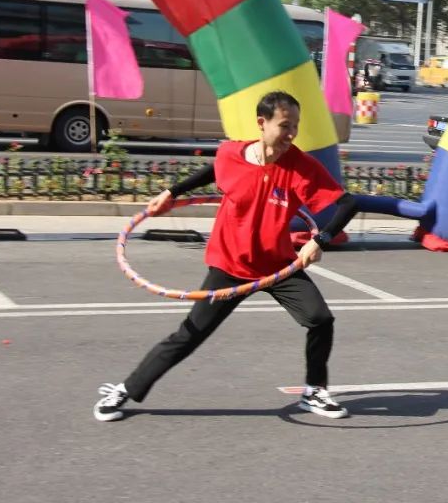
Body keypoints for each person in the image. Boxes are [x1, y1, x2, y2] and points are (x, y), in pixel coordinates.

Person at [93, 91, 359, 421]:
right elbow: (212, 170)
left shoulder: (301, 167)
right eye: (285, 125)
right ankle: (125, 390)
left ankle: (314, 391)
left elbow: (348, 203)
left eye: (296, 126)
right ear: (262, 123)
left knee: (321, 319)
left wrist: (320, 239)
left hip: (276, 264)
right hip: (230, 265)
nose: (292, 133)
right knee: (189, 334)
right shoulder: (232, 154)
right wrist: (171, 193)